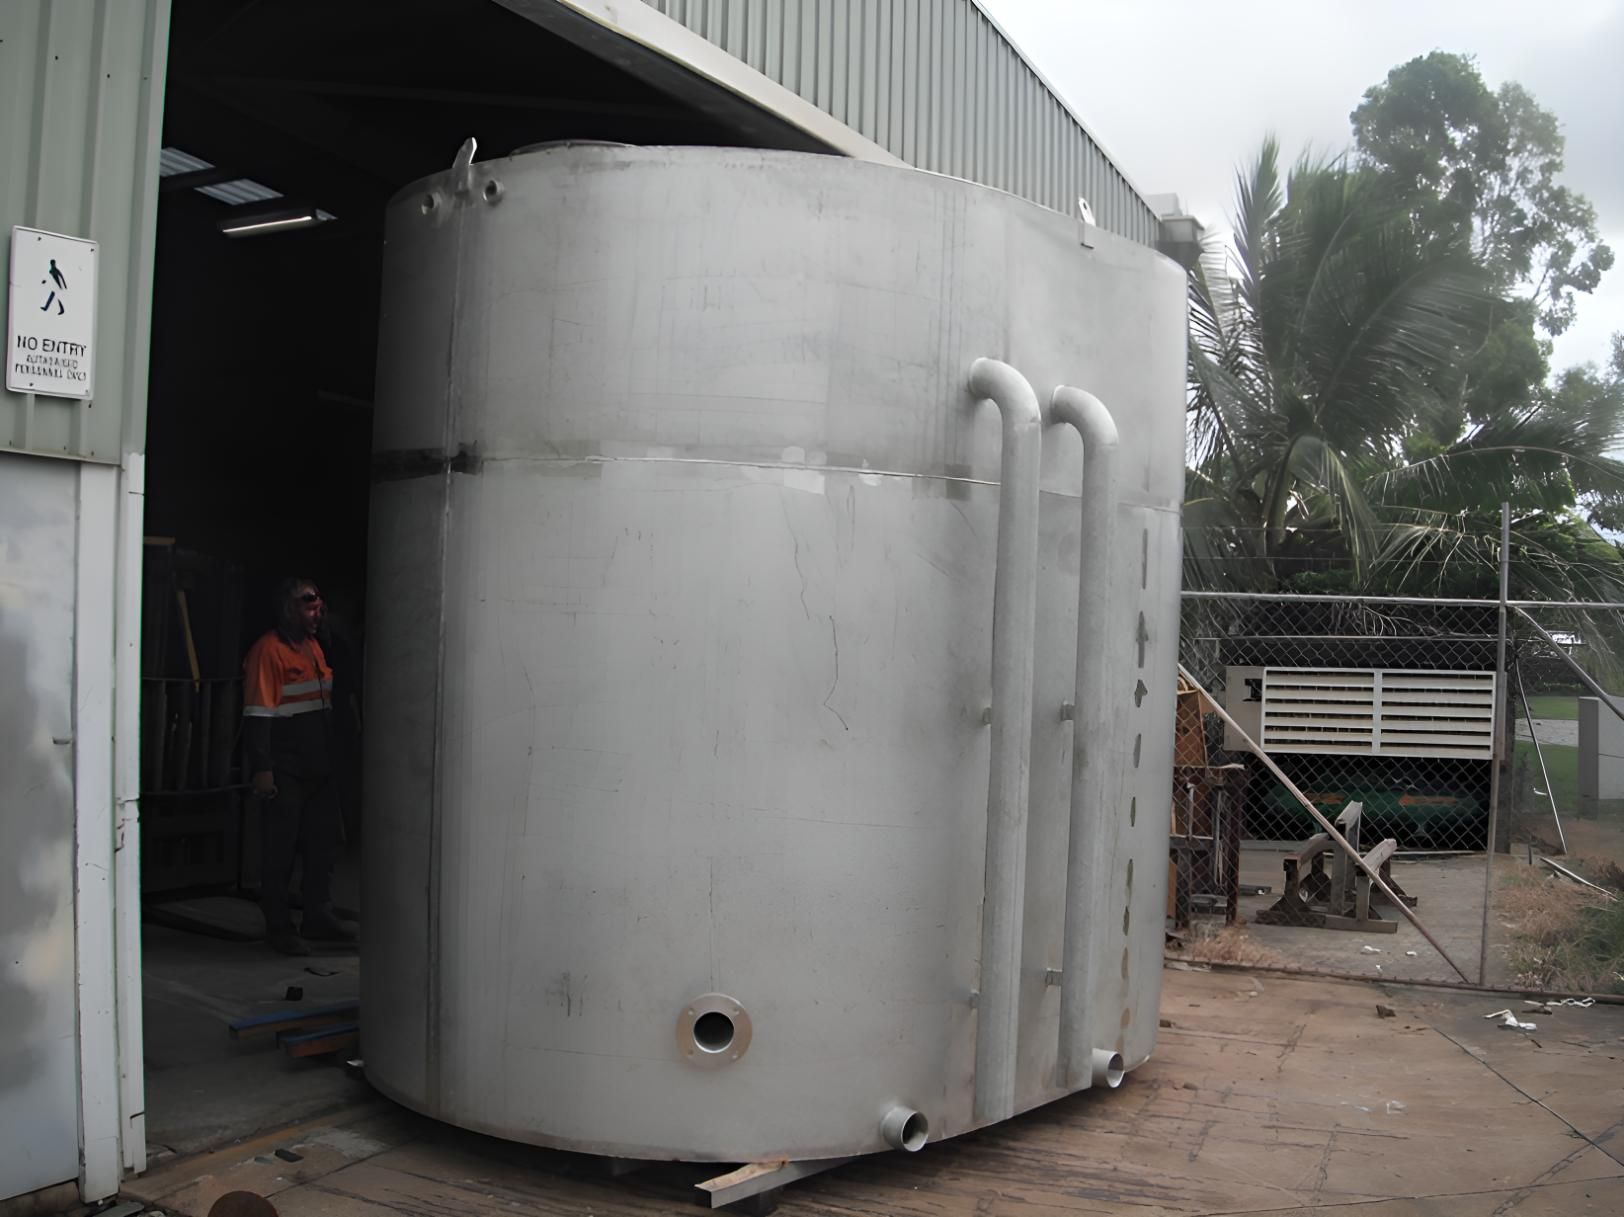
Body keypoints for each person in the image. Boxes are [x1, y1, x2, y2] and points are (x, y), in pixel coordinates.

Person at [243, 576, 351, 955]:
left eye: (320, 606)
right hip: (285, 766)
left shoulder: (314, 648)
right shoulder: (268, 652)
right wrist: (263, 767)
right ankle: (278, 925)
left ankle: (317, 918)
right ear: (289, 609)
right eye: (309, 606)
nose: (318, 612)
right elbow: (258, 714)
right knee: (281, 849)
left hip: (318, 766)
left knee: (322, 845)